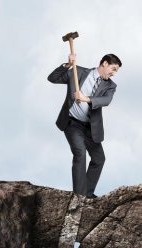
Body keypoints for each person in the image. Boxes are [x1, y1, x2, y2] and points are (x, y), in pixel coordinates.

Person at [48, 53, 122, 198]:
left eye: (116, 71)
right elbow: (52, 78)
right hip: (72, 123)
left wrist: (85, 98)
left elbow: (106, 100)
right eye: (113, 69)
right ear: (105, 63)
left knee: (99, 159)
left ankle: (87, 193)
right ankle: (80, 197)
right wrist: (68, 65)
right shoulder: (78, 71)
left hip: (90, 128)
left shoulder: (110, 86)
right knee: (80, 153)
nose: (113, 74)